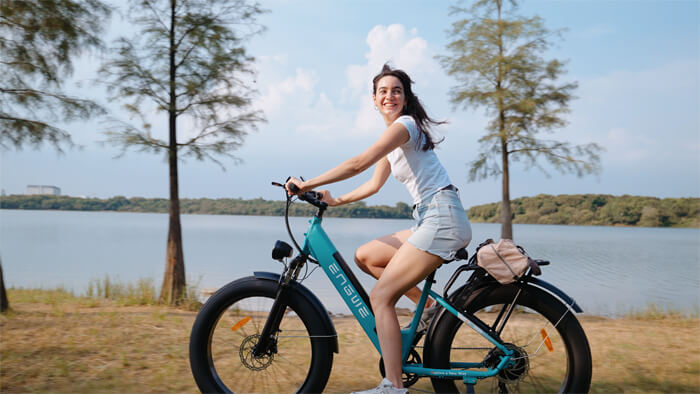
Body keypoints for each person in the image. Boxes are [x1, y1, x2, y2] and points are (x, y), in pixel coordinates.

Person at [286, 63, 471, 394]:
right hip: (431, 216)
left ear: (405, 98)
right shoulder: (394, 137)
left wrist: (305, 183)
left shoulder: (405, 125)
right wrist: (334, 200)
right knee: (367, 256)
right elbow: (372, 185)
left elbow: (358, 163)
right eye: (383, 91)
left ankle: (393, 386)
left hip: (441, 218)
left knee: (381, 297)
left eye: (396, 90)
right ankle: (427, 307)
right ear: (374, 99)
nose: (390, 95)